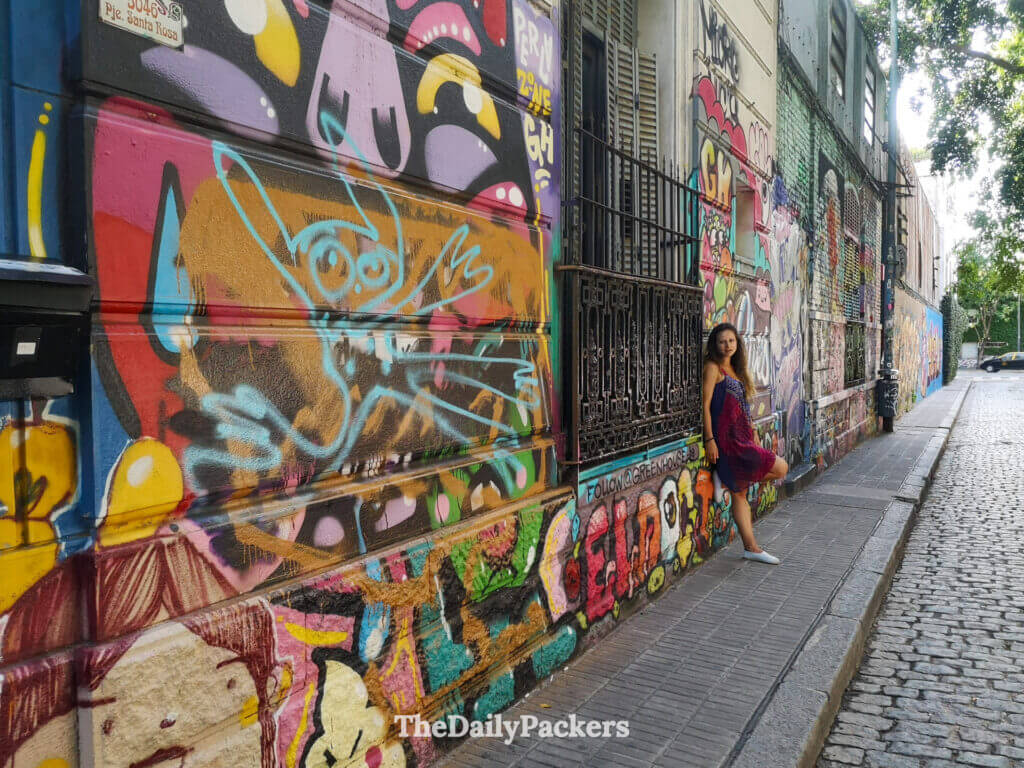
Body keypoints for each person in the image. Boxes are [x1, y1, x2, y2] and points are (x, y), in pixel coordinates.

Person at [702, 323, 789, 564]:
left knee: (741, 492)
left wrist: (753, 432)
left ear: (737, 343)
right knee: (780, 467)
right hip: (727, 441)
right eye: (722, 341)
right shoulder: (713, 368)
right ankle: (751, 546)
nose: (727, 345)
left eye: (731, 341)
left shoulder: (736, 369)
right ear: (714, 344)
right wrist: (710, 440)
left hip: (742, 436)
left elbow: (741, 406)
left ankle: (751, 548)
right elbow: (706, 405)